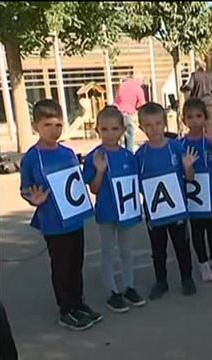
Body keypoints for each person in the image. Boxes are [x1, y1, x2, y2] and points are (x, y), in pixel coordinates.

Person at [20, 99, 102, 331]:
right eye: (47, 125)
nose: (53, 130)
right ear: (36, 126)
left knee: (76, 263)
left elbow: (77, 182)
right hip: (53, 223)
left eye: (58, 125)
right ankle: (66, 309)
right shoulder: (32, 158)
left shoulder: (67, 152)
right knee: (62, 266)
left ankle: (78, 303)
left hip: (74, 219)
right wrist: (32, 198)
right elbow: (26, 188)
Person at [83, 106, 146, 313]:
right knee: (108, 251)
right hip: (107, 211)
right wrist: (100, 171)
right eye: (105, 129)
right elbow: (93, 188)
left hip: (127, 212)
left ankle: (129, 286)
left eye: (114, 129)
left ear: (122, 130)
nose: (110, 134)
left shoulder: (129, 156)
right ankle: (112, 291)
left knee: (127, 250)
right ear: (97, 130)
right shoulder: (94, 157)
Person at [136, 102, 198, 298]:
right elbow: (136, 183)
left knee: (182, 244)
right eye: (148, 125)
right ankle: (161, 281)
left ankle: (187, 278)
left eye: (158, 123)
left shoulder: (176, 148)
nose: (154, 129)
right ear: (141, 128)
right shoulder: (140, 155)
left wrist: (188, 166)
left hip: (177, 209)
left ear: (165, 124)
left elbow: (190, 178)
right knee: (158, 248)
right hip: (154, 212)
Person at [180, 98, 212, 282]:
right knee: (197, 231)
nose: (195, 121)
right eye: (190, 117)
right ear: (184, 120)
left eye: (199, 116)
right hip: (192, 194)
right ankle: (203, 263)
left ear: (205, 118)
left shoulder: (209, 140)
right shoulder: (181, 145)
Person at [114, 72, 146, 152]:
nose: (142, 84)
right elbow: (143, 105)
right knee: (129, 135)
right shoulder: (138, 89)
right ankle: (129, 154)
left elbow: (117, 99)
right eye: (142, 81)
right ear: (139, 80)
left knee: (117, 135)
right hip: (127, 114)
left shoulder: (122, 86)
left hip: (116, 113)